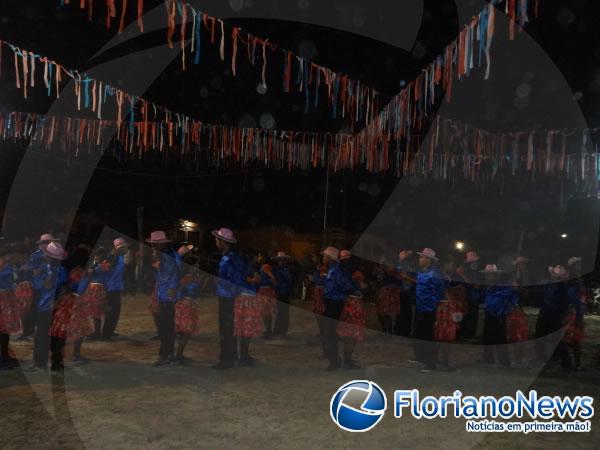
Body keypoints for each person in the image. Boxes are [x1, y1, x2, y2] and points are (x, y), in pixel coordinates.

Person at [212, 228, 253, 370]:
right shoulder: (233, 257)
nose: (216, 242)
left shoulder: (227, 259)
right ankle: (232, 356)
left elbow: (235, 280)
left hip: (227, 298)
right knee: (230, 329)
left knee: (226, 330)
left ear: (223, 242)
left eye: (217, 240)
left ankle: (226, 360)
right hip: (232, 297)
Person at [29, 242, 68, 371]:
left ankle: (40, 363)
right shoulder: (56, 269)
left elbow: (43, 286)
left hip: (47, 307)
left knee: (42, 335)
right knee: (48, 335)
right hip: (50, 307)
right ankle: (45, 361)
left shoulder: (52, 270)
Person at [535, 265, 583, 369]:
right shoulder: (547, 283)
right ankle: (541, 359)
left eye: (559, 269)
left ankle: (566, 363)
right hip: (544, 315)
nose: (555, 270)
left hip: (555, 317)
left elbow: (577, 303)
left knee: (557, 341)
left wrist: (578, 319)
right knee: (539, 338)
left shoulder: (564, 287)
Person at [323, 247, 361, 371]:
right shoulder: (337, 269)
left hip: (336, 302)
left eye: (325, 256)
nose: (323, 258)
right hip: (336, 301)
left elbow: (344, 285)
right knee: (333, 332)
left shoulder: (335, 270)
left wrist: (355, 290)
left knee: (330, 333)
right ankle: (340, 360)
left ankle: (335, 361)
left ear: (330, 258)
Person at [146, 231, 180, 367]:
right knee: (167, 327)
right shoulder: (167, 255)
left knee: (165, 327)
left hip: (167, 296)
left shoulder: (167, 256)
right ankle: (168, 354)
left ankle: (165, 355)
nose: (152, 246)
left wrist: (157, 266)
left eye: (154, 244)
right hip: (164, 295)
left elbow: (172, 275)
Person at [18, 233, 60, 340]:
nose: (48, 244)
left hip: (50, 288)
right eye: (45, 242)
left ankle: (44, 333)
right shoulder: (35, 255)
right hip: (37, 286)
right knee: (32, 309)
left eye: (49, 242)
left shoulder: (56, 255)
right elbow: (26, 269)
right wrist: (33, 270)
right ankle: (28, 332)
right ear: (41, 244)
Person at [50, 266, 94, 369]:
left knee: (76, 331)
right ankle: (60, 357)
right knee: (63, 333)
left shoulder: (78, 272)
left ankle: (71, 355)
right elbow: (67, 289)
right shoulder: (68, 272)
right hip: (69, 304)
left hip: (73, 304)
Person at [413, 248, 446, 372]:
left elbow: (440, 291)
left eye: (422, 257)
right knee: (421, 334)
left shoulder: (435, 273)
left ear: (428, 260)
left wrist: (433, 305)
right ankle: (423, 358)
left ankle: (431, 363)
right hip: (420, 307)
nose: (419, 259)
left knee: (429, 336)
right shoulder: (422, 272)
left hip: (429, 309)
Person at [480, 264, 518, 368]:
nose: (488, 276)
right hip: (489, 314)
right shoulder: (488, 286)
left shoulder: (503, 285)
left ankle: (504, 361)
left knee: (500, 338)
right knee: (487, 337)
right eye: (487, 275)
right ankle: (488, 357)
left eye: (490, 274)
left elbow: (511, 298)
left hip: (499, 315)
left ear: (495, 275)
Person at [335, 250, 367, 369]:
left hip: (348, 303)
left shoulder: (341, 271)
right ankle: (347, 360)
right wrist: (360, 287)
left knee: (349, 333)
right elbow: (358, 287)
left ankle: (347, 359)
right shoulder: (353, 272)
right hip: (354, 303)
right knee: (352, 334)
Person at [174, 245, 202, 365]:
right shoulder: (187, 277)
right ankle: (178, 356)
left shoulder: (189, 276)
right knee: (186, 331)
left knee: (185, 331)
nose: (198, 267)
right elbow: (178, 288)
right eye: (196, 265)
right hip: (186, 304)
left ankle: (178, 356)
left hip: (187, 303)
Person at [102, 237, 129, 340]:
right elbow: (104, 270)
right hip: (110, 289)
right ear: (119, 248)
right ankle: (106, 334)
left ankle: (110, 331)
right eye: (124, 247)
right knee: (110, 312)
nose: (126, 248)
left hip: (116, 287)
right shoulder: (112, 257)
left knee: (115, 312)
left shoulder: (120, 257)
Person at [0, 242, 20, 369]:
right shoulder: (4, 265)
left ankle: (4, 355)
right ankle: (3, 357)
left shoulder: (7, 265)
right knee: (3, 329)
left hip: (5, 297)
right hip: (3, 298)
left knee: (4, 330)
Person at [314, 248, 336, 355]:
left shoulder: (332, 270)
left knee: (326, 329)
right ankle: (326, 351)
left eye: (325, 256)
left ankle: (328, 352)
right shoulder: (323, 269)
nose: (323, 258)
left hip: (326, 301)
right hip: (322, 300)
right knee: (324, 329)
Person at [458, 250, 483, 340]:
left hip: (473, 294)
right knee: (470, 314)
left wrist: (462, 275)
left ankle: (469, 334)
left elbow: (475, 284)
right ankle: (467, 334)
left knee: (471, 314)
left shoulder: (474, 270)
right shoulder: (473, 269)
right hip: (471, 294)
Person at [272, 252, 294, 338]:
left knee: (284, 313)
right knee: (281, 313)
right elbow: (274, 282)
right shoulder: (276, 270)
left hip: (285, 294)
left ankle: (282, 331)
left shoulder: (286, 270)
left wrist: (279, 284)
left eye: (283, 260)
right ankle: (278, 331)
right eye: (280, 260)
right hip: (280, 294)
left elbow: (289, 282)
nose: (282, 261)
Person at [394, 250, 415, 337]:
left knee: (405, 312)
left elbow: (401, 275)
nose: (401, 254)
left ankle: (403, 331)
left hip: (406, 291)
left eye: (403, 253)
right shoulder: (404, 264)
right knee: (404, 312)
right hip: (404, 291)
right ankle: (401, 331)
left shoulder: (406, 265)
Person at [257, 257, 277, 339]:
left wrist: (270, 282)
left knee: (266, 312)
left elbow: (273, 277)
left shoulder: (265, 266)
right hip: (265, 290)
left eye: (259, 255)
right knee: (266, 312)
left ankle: (269, 332)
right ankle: (268, 331)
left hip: (265, 290)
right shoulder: (264, 266)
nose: (258, 257)